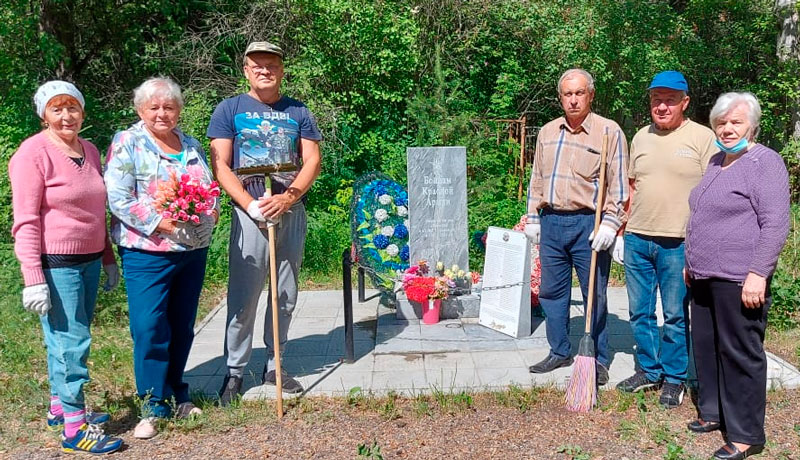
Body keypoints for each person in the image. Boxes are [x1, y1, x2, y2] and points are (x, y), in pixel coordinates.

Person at [9, 80, 122, 454]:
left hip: (89, 260)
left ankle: (60, 407)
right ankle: (75, 428)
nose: (66, 116)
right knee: (72, 343)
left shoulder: (88, 150)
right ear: (44, 115)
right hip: (57, 265)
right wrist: (33, 278)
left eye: (72, 108)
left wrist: (107, 258)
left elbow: (95, 211)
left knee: (65, 338)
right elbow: (25, 220)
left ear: (83, 113)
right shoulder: (32, 154)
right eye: (56, 109)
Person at [207, 41, 322, 403]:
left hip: (289, 209)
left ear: (282, 70)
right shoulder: (229, 110)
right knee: (244, 296)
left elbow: (312, 159)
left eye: (271, 65)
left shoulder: (297, 111)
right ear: (246, 70)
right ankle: (235, 371)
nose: (264, 71)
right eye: (257, 66)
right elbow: (220, 164)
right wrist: (249, 204)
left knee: (285, 293)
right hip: (250, 212)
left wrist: (289, 197)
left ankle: (275, 363)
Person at [105, 77, 217, 439]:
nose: (161, 113)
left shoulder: (191, 145)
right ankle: (153, 404)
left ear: (179, 110)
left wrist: (206, 217)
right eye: (154, 107)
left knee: (182, 324)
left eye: (168, 106)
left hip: (191, 250)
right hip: (146, 251)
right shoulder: (128, 141)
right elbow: (118, 196)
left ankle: (178, 393)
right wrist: (160, 223)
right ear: (141, 110)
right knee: (150, 326)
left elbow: (208, 190)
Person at [685, 92, 789, 460]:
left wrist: (759, 273)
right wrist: (690, 260)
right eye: (721, 122)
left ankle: (746, 434)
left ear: (753, 125)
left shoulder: (765, 162)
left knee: (740, 352)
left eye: (736, 122)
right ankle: (713, 411)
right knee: (707, 346)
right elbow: (703, 215)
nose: (728, 129)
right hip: (703, 276)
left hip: (738, 278)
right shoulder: (717, 161)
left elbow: (775, 223)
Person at [615, 71, 717, 408]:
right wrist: (620, 229)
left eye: (670, 99)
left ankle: (675, 378)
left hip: (679, 242)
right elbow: (632, 186)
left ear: (684, 102)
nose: (662, 106)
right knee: (639, 312)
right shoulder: (640, 137)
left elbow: (713, 193)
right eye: (656, 99)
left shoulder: (703, 138)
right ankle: (648, 369)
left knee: (674, 314)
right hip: (638, 238)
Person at [524, 68, 629, 386]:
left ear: (591, 95)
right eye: (567, 94)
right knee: (551, 292)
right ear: (560, 97)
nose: (572, 100)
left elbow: (619, 186)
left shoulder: (609, 132)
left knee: (593, 294)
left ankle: (597, 357)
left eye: (579, 93)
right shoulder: (547, 131)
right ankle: (559, 350)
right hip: (552, 222)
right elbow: (537, 177)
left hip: (589, 225)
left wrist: (612, 224)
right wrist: (532, 217)